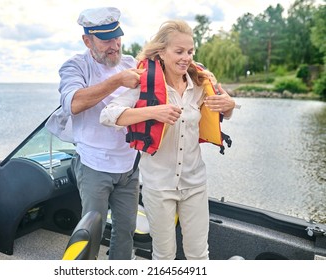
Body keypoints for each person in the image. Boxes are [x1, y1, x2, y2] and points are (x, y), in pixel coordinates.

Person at [100, 19, 237, 260]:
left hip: (195, 183)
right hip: (158, 186)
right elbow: (107, 115)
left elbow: (223, 111)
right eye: (179, 51)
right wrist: (154, 111)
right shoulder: (146, 85)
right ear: (161, 52)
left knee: (199, 254)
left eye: (190, 51)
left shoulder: (200, 85)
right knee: (164, 256)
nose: (186, 57)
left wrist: (230, 106)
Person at [49, 7, 143, 260]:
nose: (114, 45)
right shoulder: (74, 66)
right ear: (87, 40)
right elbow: (73, 103)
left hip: (129, 166)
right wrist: (117, 81)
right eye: (106, 39)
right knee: (92, 231)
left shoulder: (130, 63)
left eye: (117, 37)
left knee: (126, 231)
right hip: (94, 166)